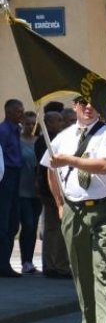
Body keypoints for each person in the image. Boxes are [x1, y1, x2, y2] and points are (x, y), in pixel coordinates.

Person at [40, 96, 106, 323]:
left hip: (105, 209)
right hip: (74, 210)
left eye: (93, 103)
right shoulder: (63, 137)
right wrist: (59, 203)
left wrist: (69, 160)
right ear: (75, 107)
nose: (89, 107)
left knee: (103, 268)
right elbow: (49, 169)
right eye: (83, 103)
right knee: (81, 271)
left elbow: (103, 166)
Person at [35, 111, 71, 278]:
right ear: (48, 123)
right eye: (59, 120)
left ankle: (57, 264)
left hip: (57, 190)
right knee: (53, 229)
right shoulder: (46, 141)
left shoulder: (57, 137)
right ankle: (54, 265)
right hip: (50, 191)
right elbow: (49, 167)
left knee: (59, 229)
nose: (62, 123)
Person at [0, 99, 24, 277]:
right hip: (5, 176)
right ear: (8, 112)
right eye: (18, 111)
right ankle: (2, 265)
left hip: (16, 176)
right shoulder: (3, 130)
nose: (21, 114)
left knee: (12, 222)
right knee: (4, 221)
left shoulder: (17, 130)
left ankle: (5, 263)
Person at [19, 111, 42, 273]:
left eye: (33, 123)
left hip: (37, 191)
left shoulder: (39, 142)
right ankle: (24, 260)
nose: (30, 126)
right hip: (21, 189)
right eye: (27, 123)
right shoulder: (18, 142)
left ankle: (29, 261)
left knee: (33, 226)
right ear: (22, 124)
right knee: (26, 224)